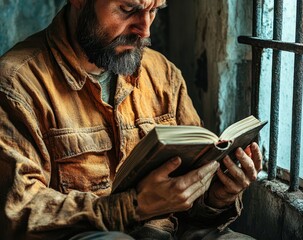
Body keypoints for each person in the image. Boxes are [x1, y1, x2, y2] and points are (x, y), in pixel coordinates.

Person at [0, 0, 263, 239]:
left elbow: (191, 210)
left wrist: (217, 196)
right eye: (128, 10)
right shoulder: (16, 84)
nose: (145, 31)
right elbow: (19, 213)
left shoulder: (162, 73)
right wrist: (134, 205)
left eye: (154, 10)